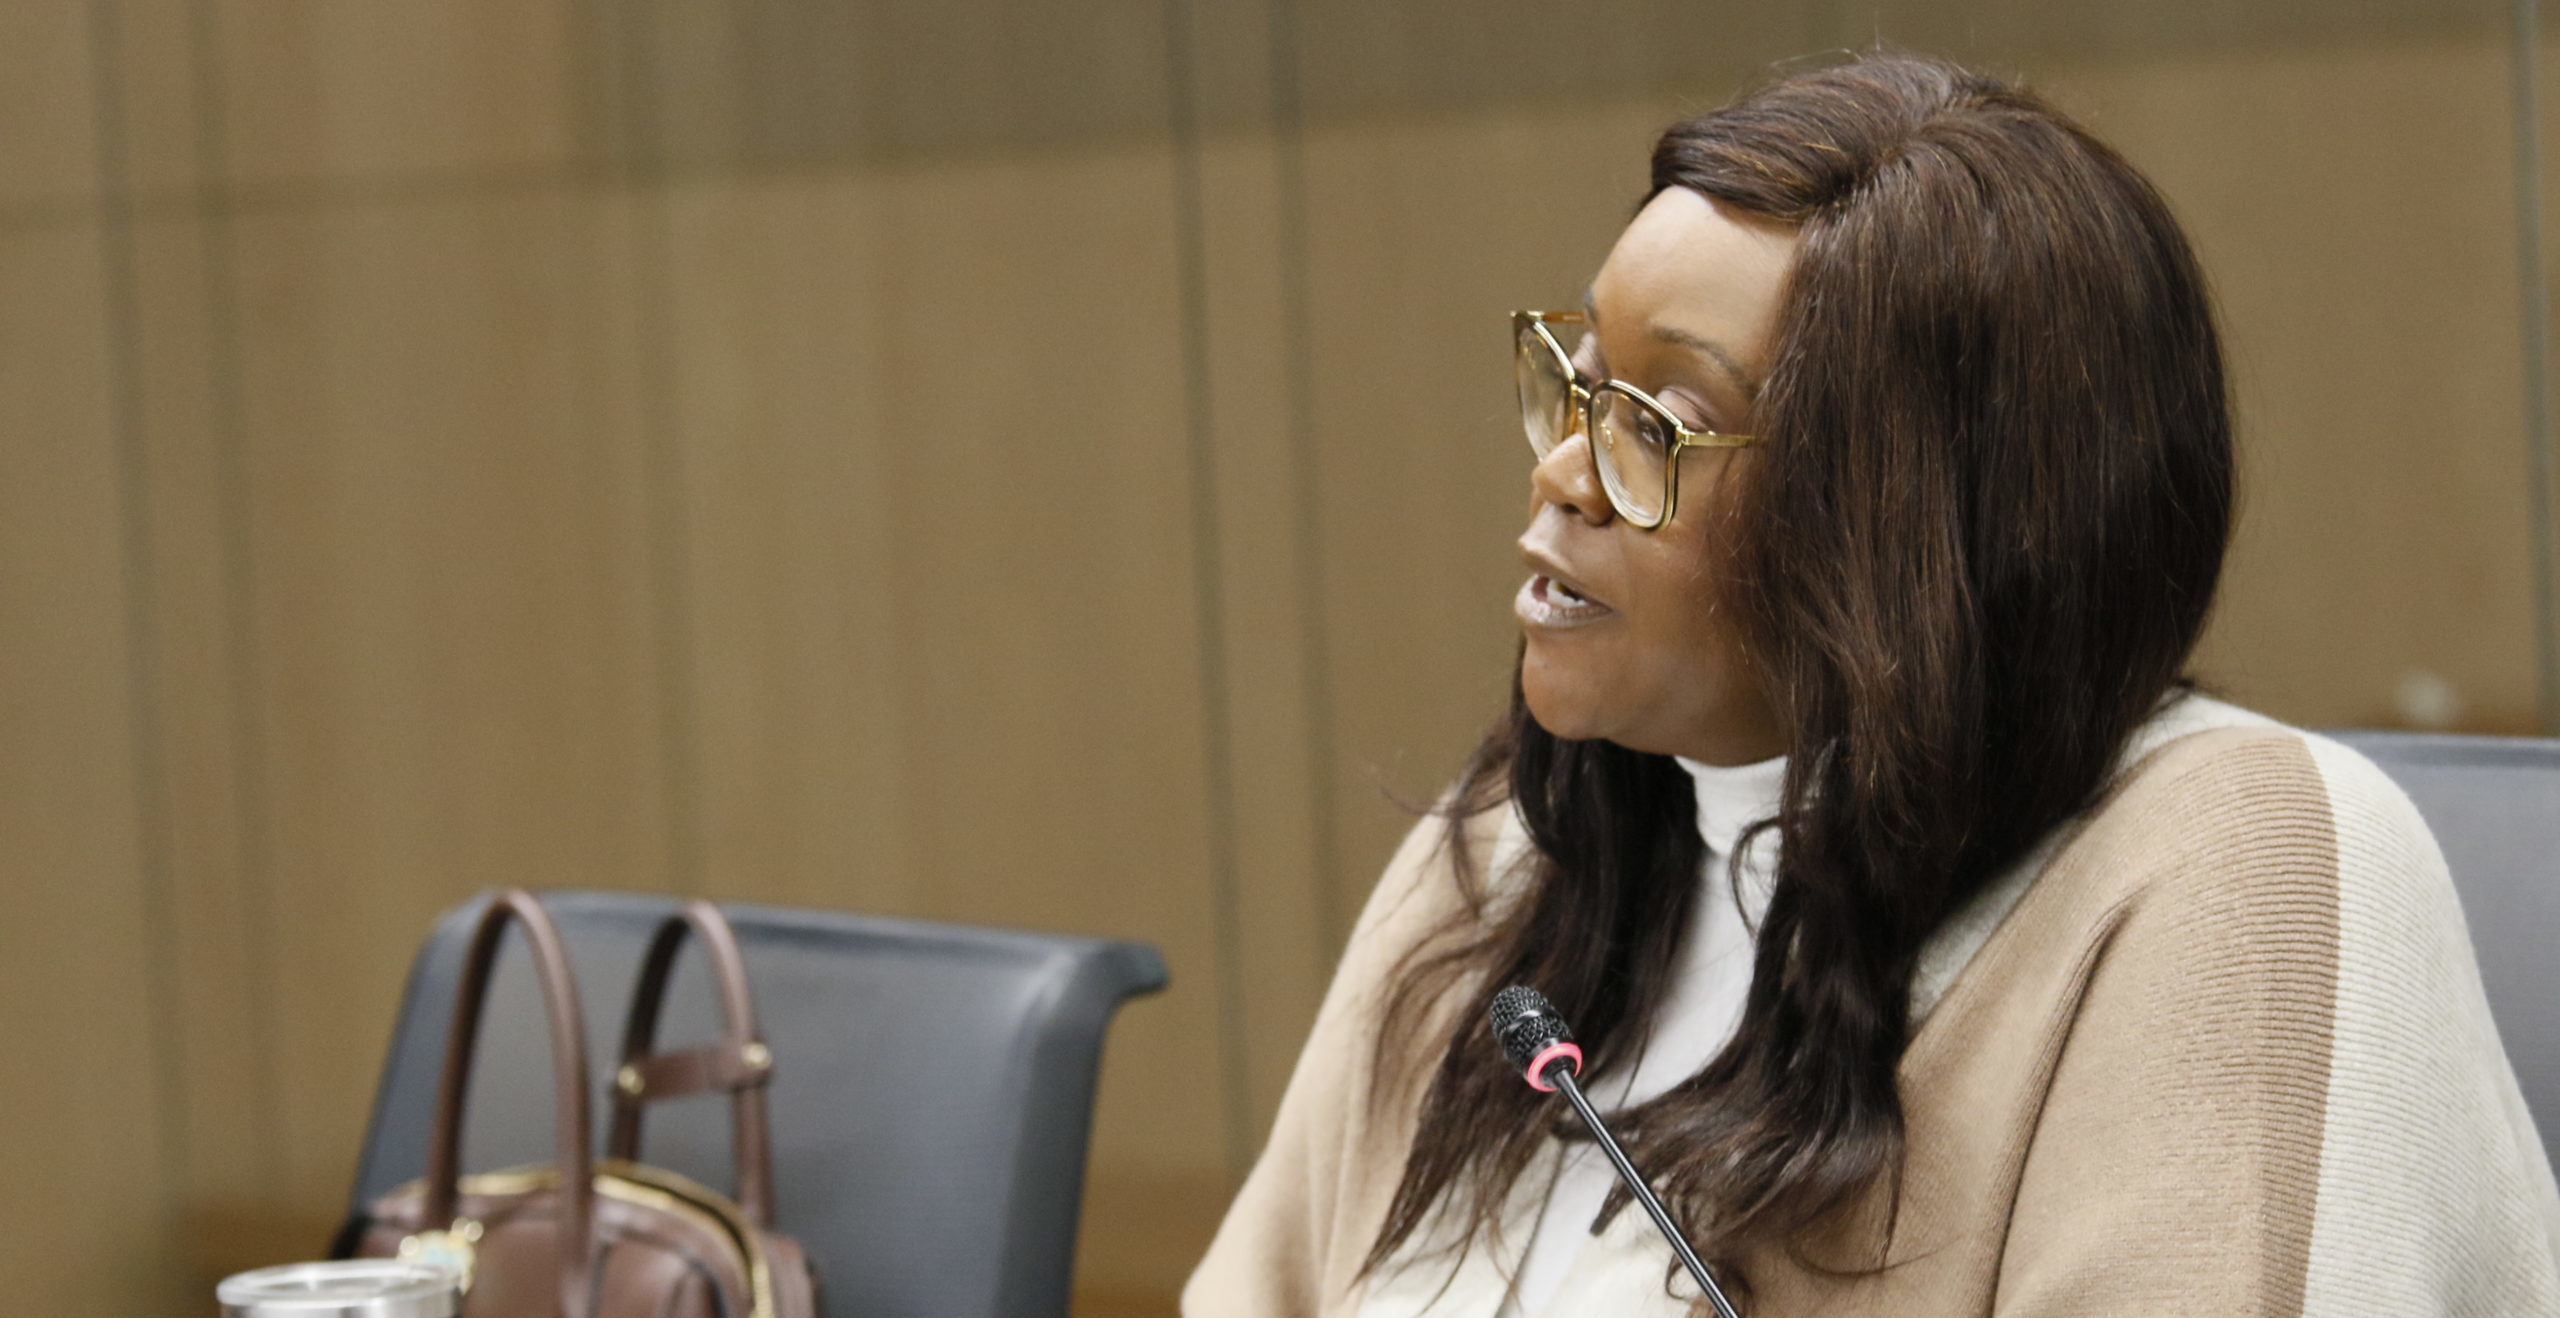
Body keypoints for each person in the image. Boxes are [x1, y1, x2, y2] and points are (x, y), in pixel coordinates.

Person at [1184, 51, 2560, 1317]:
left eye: (1661, 424)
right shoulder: (1515, 852)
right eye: (1580, 385)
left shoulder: (2234, 872)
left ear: (1924, 530)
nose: (1562, 473)